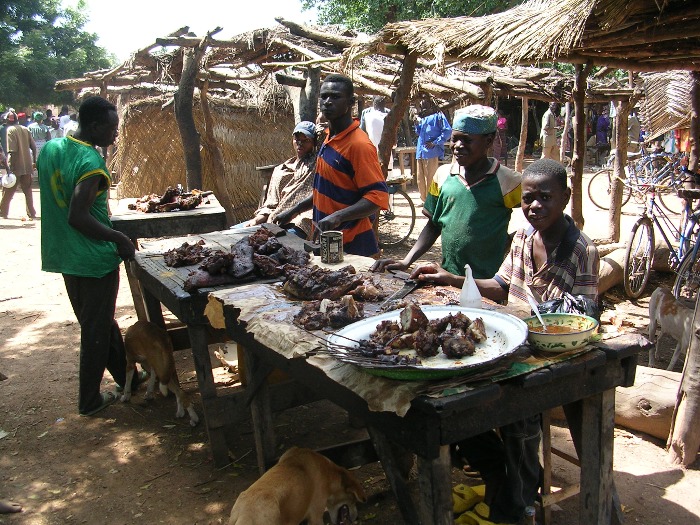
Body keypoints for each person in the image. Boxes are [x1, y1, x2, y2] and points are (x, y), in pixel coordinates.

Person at [448, 159, 599, 525]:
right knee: (458, 403)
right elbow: (500, 286)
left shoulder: (581, 250)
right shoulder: (522, 238)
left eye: (545, 198)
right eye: (529, 198)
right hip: (514, 349)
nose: (535, 206)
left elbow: (585, 316)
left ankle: (517, 508)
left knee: (519, 413)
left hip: (556, 360)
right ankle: (501, 479)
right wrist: (452, 278)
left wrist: (528, 315)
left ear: (565, 197)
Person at [37, 96, 137, 417]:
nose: (114, 135)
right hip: (93, 259)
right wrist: (118, 237)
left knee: (101, 322)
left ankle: (127, 379)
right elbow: (78, 216)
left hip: (65, 254)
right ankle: (89, 400)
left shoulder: (52, 149)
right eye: (111, 129)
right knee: (95, 329)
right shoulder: (90, 162)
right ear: (93, 127)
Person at [372, 104, 521, 280]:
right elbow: (434, 224)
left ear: (488, 141)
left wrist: (514, 241)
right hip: (449, 277)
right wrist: (406, 261)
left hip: (488, 283)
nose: (457, 146)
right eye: (454, 139)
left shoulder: (507, 181)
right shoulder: (443, 176)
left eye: (467, 140)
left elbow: (541, 213)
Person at [276, 73, 389, 257]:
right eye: (324, 96)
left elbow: (378, 198)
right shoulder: (330, 139)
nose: (327, 102)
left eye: (335, 97)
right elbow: (326, 190)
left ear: (350, 102)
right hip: (330, 243)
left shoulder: (358, 145)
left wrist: (338, 217)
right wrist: (295, 210)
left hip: (354, 246)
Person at [237, 121, 318, 238]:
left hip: (300, 222)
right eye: (297, 139)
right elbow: (271, 204)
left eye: (306, 140)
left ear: (314, 142)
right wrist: (256, 221)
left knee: (282, 243)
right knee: (235, 233)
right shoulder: (281, 170)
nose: (300, 144)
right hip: (275, 220)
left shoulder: (317, 164)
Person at [0, 110, 37, 219]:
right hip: (27, 165)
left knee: (8, 190)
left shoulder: (10, 130)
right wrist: (33, 162)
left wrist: (9, 168)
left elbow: (12, 151)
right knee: (28, 191)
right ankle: (32, 212)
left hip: (16, 165)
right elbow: (33, 147)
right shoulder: (25, 129)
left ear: (7, 120)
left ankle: (3, 212)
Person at [414, 98, 452, 202]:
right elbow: (418, 132)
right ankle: (424, 200)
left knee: (430, 177)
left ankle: (431, 200)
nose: (422, 106)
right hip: (420, 152)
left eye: (424, 104)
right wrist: (416, 123)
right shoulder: (422, 118)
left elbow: (447, 131)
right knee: (420, 178)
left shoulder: (438, 117)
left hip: (431, 152)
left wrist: (435, 142)